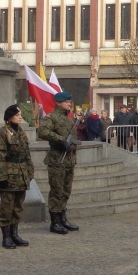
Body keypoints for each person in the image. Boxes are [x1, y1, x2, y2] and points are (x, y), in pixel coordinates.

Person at [0, 104, 35, 249]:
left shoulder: (21, 132)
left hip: (21, 175)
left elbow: (27, 155)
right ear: (9, 118)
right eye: (17, 115)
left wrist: (30, 171)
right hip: (8, 177)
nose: (20, 117)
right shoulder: (1, 134)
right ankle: (6, 236)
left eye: (20, 114)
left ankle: (15, 234)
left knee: (17, 207)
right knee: (6, 208)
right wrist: (1, 177)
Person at [37, 91, 80, 234]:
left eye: (69, 102)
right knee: (57, 190)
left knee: (66, 190)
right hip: (57, 159)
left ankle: (63, 218)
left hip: (69, 160)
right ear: (59, 102)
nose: (69, 104)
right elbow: (42, 132)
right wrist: (60, 140)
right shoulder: (51, 117)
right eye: (67, 102)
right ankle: (55, 222)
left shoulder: (69, 120)